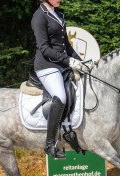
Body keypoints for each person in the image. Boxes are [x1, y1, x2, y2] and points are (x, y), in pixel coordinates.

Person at [31, 0, 85, 159]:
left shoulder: (58, 14)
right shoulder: (39, 16)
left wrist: (80, 61)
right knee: (60, 97)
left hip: (61, 63)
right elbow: (44, 48)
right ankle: (49, 144)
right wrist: (68, 61)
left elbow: (66, 45)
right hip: (46, 65)